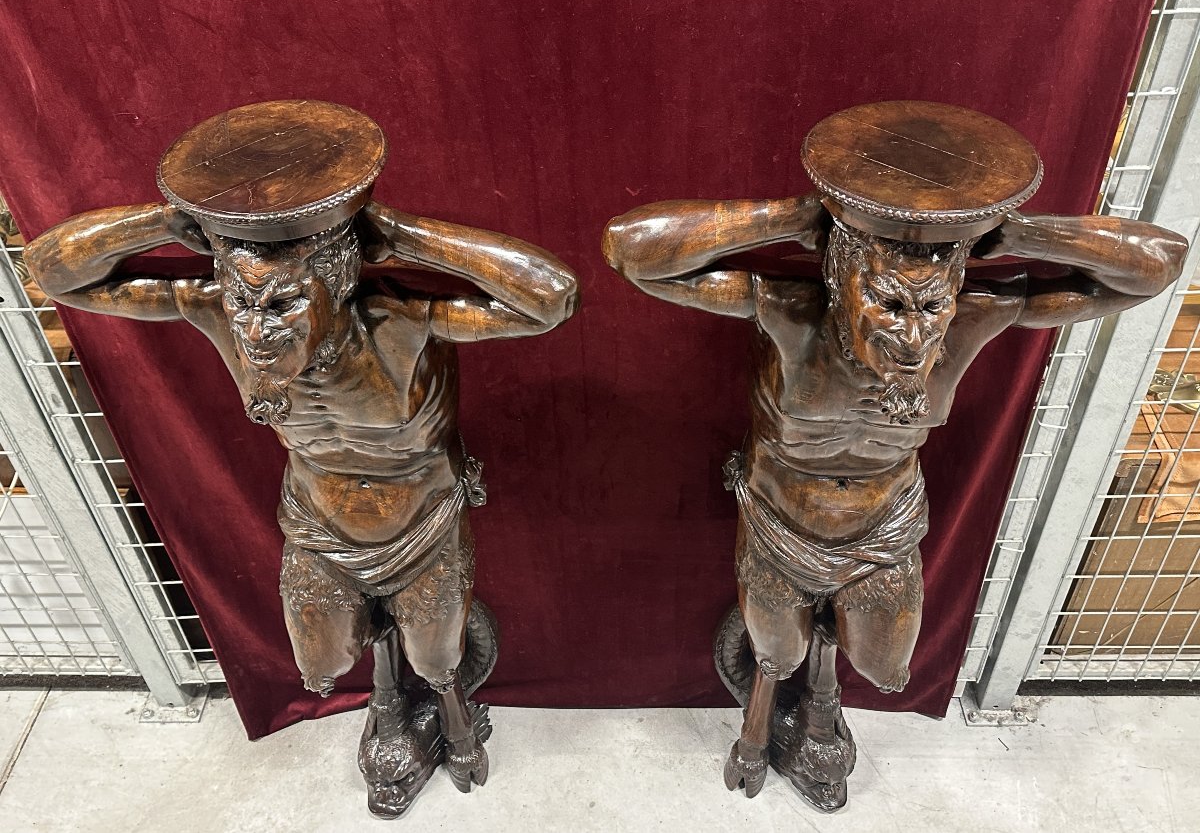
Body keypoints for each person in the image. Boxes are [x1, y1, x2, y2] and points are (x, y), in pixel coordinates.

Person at [603, 186, 1186, 803]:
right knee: (774, 657)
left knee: (885, 670)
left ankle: (821, 672)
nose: (913, 336)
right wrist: (800, 220)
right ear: (841, 282)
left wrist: (1017, 235)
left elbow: (1157, 267)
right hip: (780, 518)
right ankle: (775, 717)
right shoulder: (792, 314)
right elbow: (630, 251)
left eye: (930, 308)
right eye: (887, 303)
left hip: (883, 526)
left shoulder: (971, 317)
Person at [26, 187, 578, 811]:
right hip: (319, 523)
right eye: (244, 303)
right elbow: (54, 274)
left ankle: (447, 710)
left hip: (423, 521)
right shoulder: (219, 314)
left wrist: (395, 234)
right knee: (322, 661)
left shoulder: (401, 323)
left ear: (336, 284)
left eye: (282, 304)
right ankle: (386, 689)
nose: (257, 330)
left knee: (439, 658)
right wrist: (160, 223)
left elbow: (552, 297)